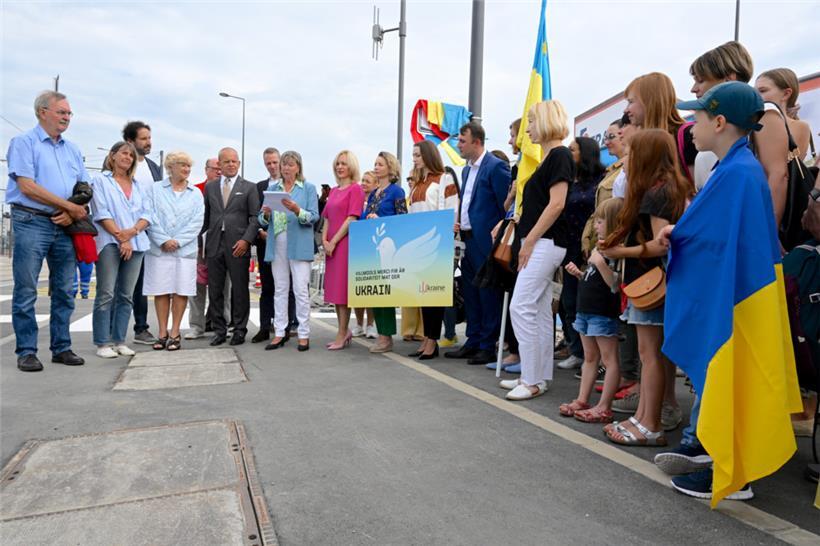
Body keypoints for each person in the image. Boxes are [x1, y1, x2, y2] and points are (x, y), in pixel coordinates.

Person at [661, 81, 800, 502]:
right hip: (743, 295)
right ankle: (726, 460)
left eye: (698, 116)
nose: (691, 125)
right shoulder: (737, 168)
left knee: (734, 378)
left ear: (720, 122)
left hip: (740, 300)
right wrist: (682, 232)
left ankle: (733, 472)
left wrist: (677, 234)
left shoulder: (737, 173)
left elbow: (716, 238)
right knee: (731, 379)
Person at [599, 129, 691, 445]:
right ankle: (645, 417)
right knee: (656, 355)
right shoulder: (675, 186)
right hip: (662, 283)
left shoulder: (657, 191)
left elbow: (660, 244)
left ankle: (648, 423)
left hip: (651, 283)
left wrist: (618, 251)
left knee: (648, 354)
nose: (628, 158)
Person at [6, 90, 89, 371]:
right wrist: (67, 206)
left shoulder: (73, 149)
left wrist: (71, 210)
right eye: (61, 112)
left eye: (69, 113)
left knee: (65, 289)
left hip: (65, 224)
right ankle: (27, 350)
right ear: (42, 112)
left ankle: (61, 347)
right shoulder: (24, 143)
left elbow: (84, 187)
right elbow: (27, 186)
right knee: (27, 288)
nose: (67, 117)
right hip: (32, 220)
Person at [498, 100, 572, 400]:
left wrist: (528, 241)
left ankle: (530, 379)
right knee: (539, 310)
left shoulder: (560, 155)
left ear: (544, 121)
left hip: (545, 242)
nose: (527, 128)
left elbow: (557, 204)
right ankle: (539, 376)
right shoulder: (550, 158)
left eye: (530, 121)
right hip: (540, 241)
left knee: (522, 306)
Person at [445, 121, 510, 365]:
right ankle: (472, 340)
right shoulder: (465, 170)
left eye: (463, 141)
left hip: (487, 241)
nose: (458, 145)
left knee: (488, 292)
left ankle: (487, 344)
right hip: (468, 240)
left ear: (477, 142)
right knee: (470, 291)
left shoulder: (496, 167)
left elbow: (505, 206)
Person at [559, 197, 623, 422]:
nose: (596, 226)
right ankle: (582, 398)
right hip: (586, 309)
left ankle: (604, 405)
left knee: (609, 359)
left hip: (603, 312)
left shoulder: (617, 250)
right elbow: (595, 276)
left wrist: (600, 263)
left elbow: (615, 284)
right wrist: (580, 274)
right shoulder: (600, 247)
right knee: (589, 357)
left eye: (600, 222)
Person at [90, 142, 151, 358]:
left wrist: (132, 233)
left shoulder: (139, 186)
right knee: (106, 293)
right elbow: (101, 212)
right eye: (123, 153)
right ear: (113, 156)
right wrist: (121, 238)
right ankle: (102, 342)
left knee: (126, 295)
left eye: (131, 155)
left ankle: (119, 340)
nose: (128, 157)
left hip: (137, 244)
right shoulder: (100, 181)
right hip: (109, 242)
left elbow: (147, 214)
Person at [259, 151, 319, 352]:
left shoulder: (308, 188)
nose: (285, 168)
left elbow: (313, 217)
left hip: (299, 242)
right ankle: (279, 332)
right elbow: (261, 220)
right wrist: (266, 215)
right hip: (278, 242)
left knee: (300, 289)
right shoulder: (273, 188)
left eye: (290, 164)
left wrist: (296, 210)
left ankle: (303, 333)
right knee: (280, 288)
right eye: (284, 164)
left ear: (298, 167)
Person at [143, 152, 204, 351]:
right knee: (161, 290)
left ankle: (175, 331)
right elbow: (149, 215)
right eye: (182, 165)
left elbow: (197, 222)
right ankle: (162, 332)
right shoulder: (155, 189)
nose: (186, 170)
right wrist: (163, 240)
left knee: (181, 290)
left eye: (188, 166)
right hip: (160, 249)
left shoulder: (195, 193)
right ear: (171, 167)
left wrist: (177, 241)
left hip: (184, 251)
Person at [556, 136, 605, 371]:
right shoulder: (568, 182)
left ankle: (596, 357)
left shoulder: (601, 181)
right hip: (569, 248)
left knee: (589, 302)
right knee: (568, 301)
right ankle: (577, 350)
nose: (568, 153)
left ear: (584, 154)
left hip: (590, 249)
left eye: (572, 150)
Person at [202, 147, 260, 346]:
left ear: (239, 163)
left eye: (234, 161)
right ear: (220, 164)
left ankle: (240, 330)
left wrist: (246, 240)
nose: (231, 164)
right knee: (216, 290)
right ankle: (219, 330)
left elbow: (255, 218)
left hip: (238, 245)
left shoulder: (249, 188)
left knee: (240, 290)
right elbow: (206, 218)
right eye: (226, 161)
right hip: (214, 245)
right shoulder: (210, 188)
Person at [406, 140, 459, 360]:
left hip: (437, 244)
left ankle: (432, 340)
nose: (415, 159)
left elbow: (452, 209)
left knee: (433, 294)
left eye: (418, 155)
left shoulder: (444, 178)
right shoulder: (418, 183)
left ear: (428, 156)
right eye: (413, 155)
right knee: (423, 294)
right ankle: (428, 339)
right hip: (419, 245)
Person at [688, 41, 754, 191]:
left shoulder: (763, 117)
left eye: (701, 80)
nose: (693, 89)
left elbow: (775, 178)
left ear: (729, 80)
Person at [123, 121, 162, 346]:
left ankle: (141, 327)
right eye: (144, 139)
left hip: (146, 232)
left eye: (149, 138)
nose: (149, 142)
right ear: (130, 141)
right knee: (120, 284)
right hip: (123, 232)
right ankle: (110, 330)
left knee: (141, 284)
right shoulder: (121, 164)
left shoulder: (153, 166)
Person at [363, 151, 407, 353]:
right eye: (375, 163)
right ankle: (382, 333)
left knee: (385, 295)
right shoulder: (373, 193)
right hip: (372, 246)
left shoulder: (396, 192)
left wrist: (380, 221)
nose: (376, 167)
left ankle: (386, 336)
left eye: (380, 164)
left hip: (387, 248)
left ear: (390, 167)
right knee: (375, 293)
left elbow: (402, 219)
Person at [322, 150, 365, 350]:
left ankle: (342, 332)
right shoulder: (333, 191)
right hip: (331, 246)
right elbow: (327, 218)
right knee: (335, 291)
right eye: (338, 163)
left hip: (345, 244)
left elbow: (352, 218)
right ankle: (342, 331)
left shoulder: (355, 189)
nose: (340, 167)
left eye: (344, 163)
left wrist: (334, 241)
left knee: (343, 291)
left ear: (351, 167)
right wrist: (324, 240)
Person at [252, 147, 296, 343]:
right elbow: (256, 214)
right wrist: (261, 232)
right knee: (268, 286)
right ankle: (264, 326)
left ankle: (287, 325)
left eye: (275, 162)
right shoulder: (259, 186)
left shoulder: (293, 186)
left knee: (290, 286)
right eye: (268, 163)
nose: (272, 166)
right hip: (266, 242)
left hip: (289, 241)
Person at [185, 158, 220, 340]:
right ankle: (196, 326)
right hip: (197, 247)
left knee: (221, 287)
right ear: (206, 170)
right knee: (197, 288)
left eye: (220, 169)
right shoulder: (196, 190)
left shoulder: (226, 189)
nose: (218, 172)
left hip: (219, 246)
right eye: (215, 169)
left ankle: (219, 322)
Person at [352, 170, 378, 339]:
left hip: (373, 249)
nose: (364, 183)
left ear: (376, 184)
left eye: (368, 181)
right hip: (358, 247)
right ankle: (359, 324)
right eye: (363, 180)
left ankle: (370, 324)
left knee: (371, 291)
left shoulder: (376, 203)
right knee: (357, 290)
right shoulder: (357, 201)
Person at [441, 165, 462, 349]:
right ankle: (449, 333)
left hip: (453, 248)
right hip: (447, 247)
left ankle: (449, 333)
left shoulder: (459, 202)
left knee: (446, 293)